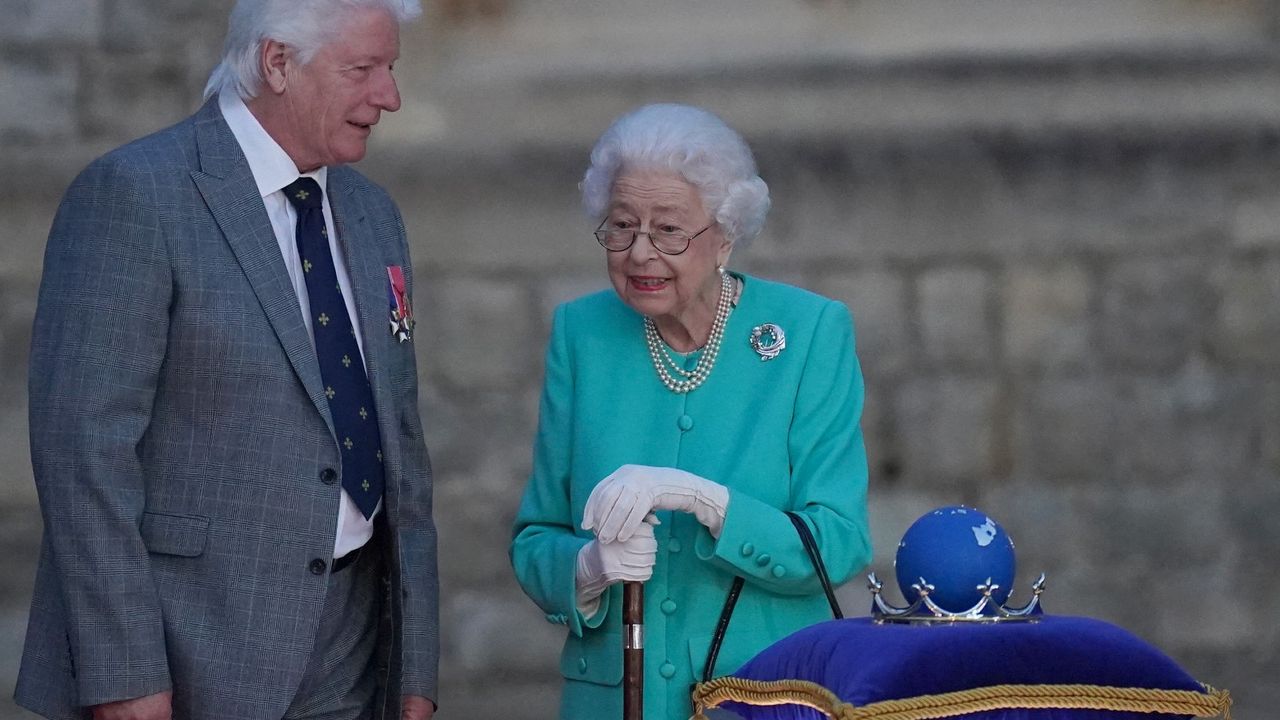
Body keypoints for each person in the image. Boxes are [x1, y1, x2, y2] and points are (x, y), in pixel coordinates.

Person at [15, 1, 438, 719]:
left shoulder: (371, 213)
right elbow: (82, 449)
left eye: (390, 69)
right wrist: (124, 672)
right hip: (191, 649)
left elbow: (400, 443)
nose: (388, 97)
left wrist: (415, 667)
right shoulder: (136, 193)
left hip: (354, 646)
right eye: (363, 70)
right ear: (277, 63)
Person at [510, 103, 873, 720]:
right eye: (621, 226)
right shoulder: (583, 334)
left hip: (760, 698)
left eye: (669, 230)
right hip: (615, 700)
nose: (640, 253)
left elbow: (838, 543)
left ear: (725, 234)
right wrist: (588, 568)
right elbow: (535, 535)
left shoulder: (808, 333)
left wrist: (710, 503)